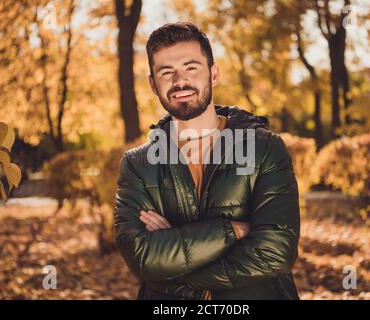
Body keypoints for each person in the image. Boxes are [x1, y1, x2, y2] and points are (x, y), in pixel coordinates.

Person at [114, 21, 300, 300]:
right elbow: (143, 258)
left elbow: (276, 251)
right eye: (166, 72)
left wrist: (174, 262)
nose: (180, 81)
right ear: (153, 84)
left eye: (191, 68)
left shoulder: (264, 148)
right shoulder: (137, 164)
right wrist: (234, 230)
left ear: (213, 74)